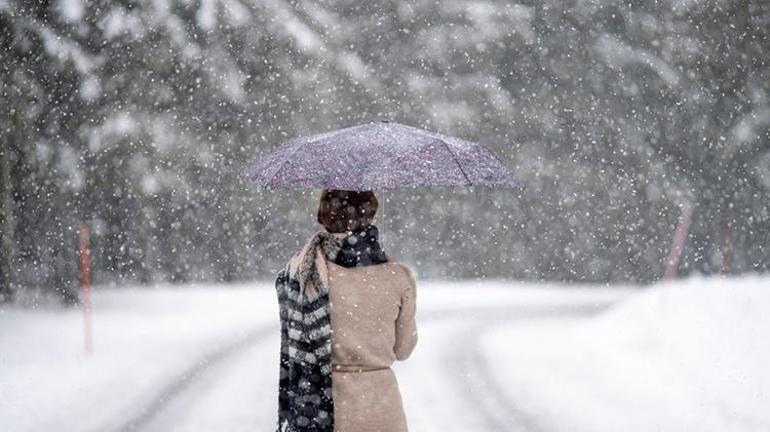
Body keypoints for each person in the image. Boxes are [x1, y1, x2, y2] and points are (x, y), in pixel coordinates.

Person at [274, 189, 418, 432]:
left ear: (324, 215)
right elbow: (404, 350)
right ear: (371, 214)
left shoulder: (304, 271)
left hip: (323, 410)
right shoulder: (398, 277)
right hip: (382, 410)